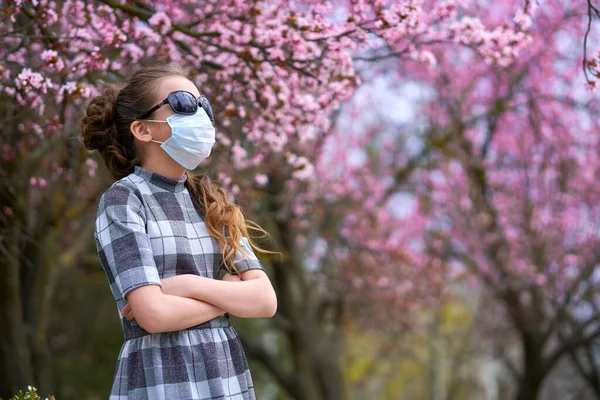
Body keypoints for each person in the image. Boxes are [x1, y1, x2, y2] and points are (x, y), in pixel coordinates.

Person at [80, 64, 277, 400]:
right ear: (142, 129)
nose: (200, 114)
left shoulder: (212, 202)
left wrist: (188, 285)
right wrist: (227, 295)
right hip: (162, 378)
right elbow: (154, 316)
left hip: (225, 378)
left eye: (204, 105)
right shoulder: (124, 199)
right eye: (184, 102)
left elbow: (264, 300)